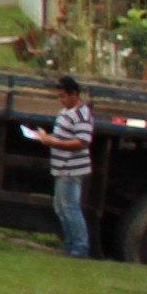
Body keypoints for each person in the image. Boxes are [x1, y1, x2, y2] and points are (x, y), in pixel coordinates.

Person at [40, 75, 95, 258]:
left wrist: (52, 142)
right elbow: (63, 135)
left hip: (72, 168)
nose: (61, 100)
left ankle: (79, 247)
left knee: (70, 207)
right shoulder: (66, 111)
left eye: (63, 96)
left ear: (74, 94)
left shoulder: (82, 114)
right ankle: (70, 244)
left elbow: (82, 142)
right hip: (61, 166)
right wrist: (46, 137)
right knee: (61, 207)